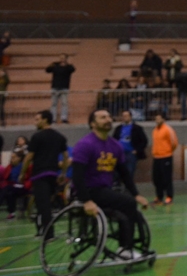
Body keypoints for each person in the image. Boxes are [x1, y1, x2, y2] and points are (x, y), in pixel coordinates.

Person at [71, 109, 150, 259]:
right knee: (127, 203)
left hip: (104, 190)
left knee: (129, 205)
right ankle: (125, 248)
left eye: (109, 116)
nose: (108, 119)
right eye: (102, 117)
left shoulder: (115, 146)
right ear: (93, 124)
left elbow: (124, 173)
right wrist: (86, 201)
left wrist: (136, 194)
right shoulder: (85, 145)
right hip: (87, 191)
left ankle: (127, 243)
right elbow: (77, 176)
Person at [20, 110, 69, 236]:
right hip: (53, 175)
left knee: (43, 206)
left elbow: (29, 157)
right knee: (46, 204)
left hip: (40, 175)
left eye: (37, 119)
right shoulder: (60, 137)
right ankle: (43, 231)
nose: (35, 122)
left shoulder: (37, 136)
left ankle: (49, 234)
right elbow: (65, 157)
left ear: (45, 120)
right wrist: (63, 173)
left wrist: (22, 173)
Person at [113, 110, 148, 180]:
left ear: (130, 117)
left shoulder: (137, 128)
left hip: (131, 153)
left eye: (126, 116)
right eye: (123, 116)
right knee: (117, 172)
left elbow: (144, 141)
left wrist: (137, 150)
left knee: (129, 172)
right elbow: (114, 140)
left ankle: (128, 189)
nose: (124, 117)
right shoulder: (118, 128)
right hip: (120, 153)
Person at [151, 113, 178, 205]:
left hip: (166, 157)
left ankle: (169, 196)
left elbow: (174, 143)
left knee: (167, 178)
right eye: (156, 119)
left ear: (163, 119)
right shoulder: (155, 130)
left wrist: (168, 151)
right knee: (156, 178)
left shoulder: (168, 129)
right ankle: (159, 196)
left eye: (159, 119)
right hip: (156, 157)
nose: (157, 121)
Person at [45, 54, 75, 124]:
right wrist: (52, 64)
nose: (62, 59)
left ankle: (64, 118)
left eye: (63, 58)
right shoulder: (55, 66)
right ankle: (53, 119)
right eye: (60, 58)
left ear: (66, 59)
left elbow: (73, 69)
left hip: (64, 88)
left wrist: (66, 65)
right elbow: (47, 70)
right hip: (55, 87)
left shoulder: (69, 67)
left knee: (64, 104)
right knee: (53, 104)